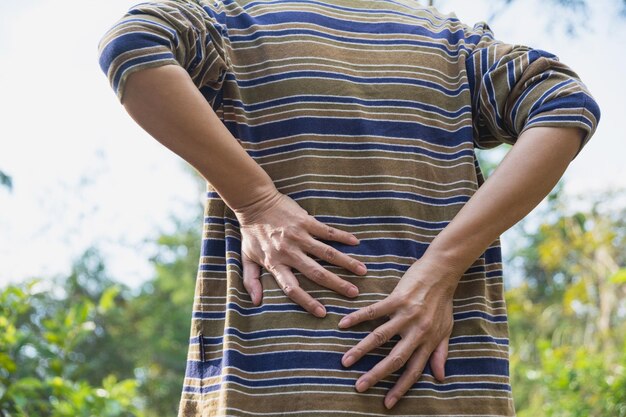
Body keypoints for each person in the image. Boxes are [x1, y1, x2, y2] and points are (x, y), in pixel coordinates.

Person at [96, 0, 600, 415]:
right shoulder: (458, 49)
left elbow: (131, 46)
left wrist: (256, 200)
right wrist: (441, 268)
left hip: (273, 389)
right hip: (445, 393)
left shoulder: (227, 24)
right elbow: (565, 102)